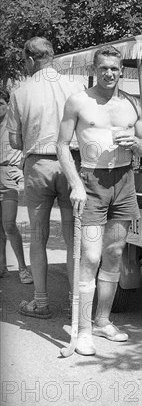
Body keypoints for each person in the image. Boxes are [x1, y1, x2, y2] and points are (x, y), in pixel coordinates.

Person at [57, 44, 142, 356]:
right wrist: (75, 184)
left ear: (122, 71)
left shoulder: (132, 103)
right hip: (92, 182)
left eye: (114, 68)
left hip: (124, 182)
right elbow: (62, 145)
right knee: (91, 257)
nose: (109, 73)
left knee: (114, 254)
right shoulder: (79, 101)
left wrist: (135, 143)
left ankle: (103, 320)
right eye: (104, 68)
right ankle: (83, 332)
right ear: (95, 70)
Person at [7, 37, 85, 318]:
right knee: (73, 237)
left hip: (38, 165)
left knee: (38, 237)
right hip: (71, 164)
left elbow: (15, 141)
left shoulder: (20, 91)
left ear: (30, 60)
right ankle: (75, 304)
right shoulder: (76, 87)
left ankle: (40, 303)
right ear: (52, 57)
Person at [0, 88, 32, 283]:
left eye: (1, 104)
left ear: (7, 105)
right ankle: (2, 266)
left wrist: (21, 170)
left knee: (9, 224)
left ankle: (22, 268)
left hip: (8, 177)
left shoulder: (15, 125)